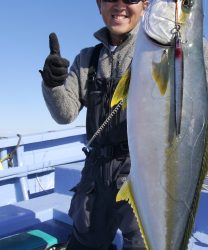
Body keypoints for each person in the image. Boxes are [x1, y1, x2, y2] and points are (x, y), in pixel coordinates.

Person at [40, 0, 149, 249]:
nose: (119, 5)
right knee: (85, 242)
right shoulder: (88, 58)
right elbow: (65, 114)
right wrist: (53, 84)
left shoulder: (157, 50)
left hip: (139, 170)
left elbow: (207, 83)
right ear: (99, 5)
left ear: (146, 4)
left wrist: (186, 33)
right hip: (95, 171)